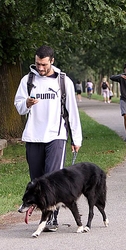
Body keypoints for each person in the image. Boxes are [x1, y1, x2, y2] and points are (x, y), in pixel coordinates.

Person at [14, 45, 82, 232]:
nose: (40, 68)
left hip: (56, 136)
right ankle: (46, 213)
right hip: (33, 136)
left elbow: (72, 112)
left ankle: (51, 218)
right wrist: (26, 103)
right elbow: (18, 105)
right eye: (37, 64)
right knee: (36, 181)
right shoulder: (27, 80)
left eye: (44, 64)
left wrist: (77, 139)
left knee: (52, 180)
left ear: (52, 61)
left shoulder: (63, 81)